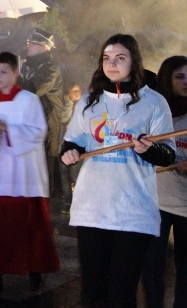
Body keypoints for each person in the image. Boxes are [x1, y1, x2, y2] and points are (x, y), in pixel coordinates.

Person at [60, 34, 175, 307]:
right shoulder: (89, 100)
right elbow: (71, 140)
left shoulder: (154, 102)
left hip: (132, 211)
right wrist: (70, 153)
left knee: (122, 293)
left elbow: (168, 154)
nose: (112, 64)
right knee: (92, 292)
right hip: (92, 209)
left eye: (120, 58)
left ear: (133, 61)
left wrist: (148, 149)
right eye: (107, 58)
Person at [0, 51, 59, 292]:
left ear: (16, 72)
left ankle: (35, 270)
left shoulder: (29, 100)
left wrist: (9, 129)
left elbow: (38, 132)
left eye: (3, 72)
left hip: (23, 175)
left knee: (28, 226)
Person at [142, 55, 187, 308]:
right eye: (180, 76)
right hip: (155, 202)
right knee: (151, 268)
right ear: (167, 79)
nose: (186, 82)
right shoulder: (156, 111)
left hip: (185, 204)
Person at [21, 28, 64, 196]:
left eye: (33, 43)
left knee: (41, 173)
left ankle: (41, 214)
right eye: (28, 42)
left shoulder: (50, 69)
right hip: (29, 126)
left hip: (45, 127)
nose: (28, 45)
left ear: (45, 46)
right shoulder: (27, 65)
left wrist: (10, 82)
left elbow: (32, 90)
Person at [59, 83, 83, 213]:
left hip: (77, 147)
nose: (77, 92)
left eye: (78, 90)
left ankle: (79, 202)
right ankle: (67, 203)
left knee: (75, 175)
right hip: (62, 146)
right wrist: (68, 104)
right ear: (68, 94)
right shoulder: (66, 106)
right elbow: (62, 119)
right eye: (74, 91)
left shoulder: (84, 106)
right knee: (64, 177)